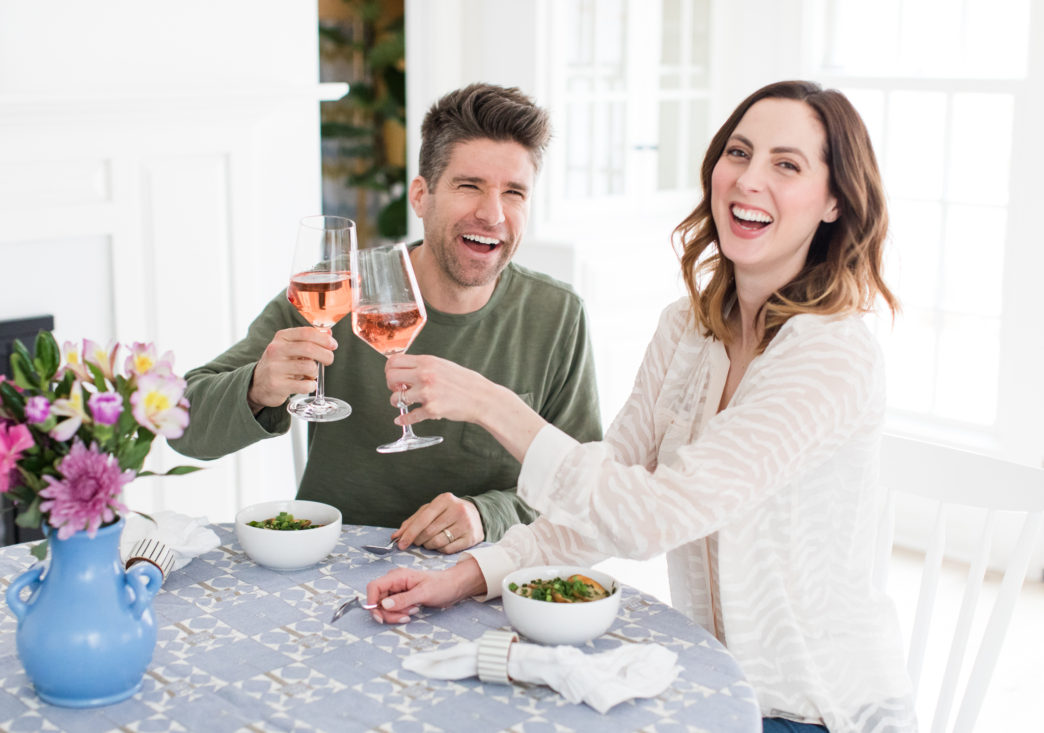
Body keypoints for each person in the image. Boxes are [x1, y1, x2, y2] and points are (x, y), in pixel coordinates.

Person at [365, 80, 917, 732]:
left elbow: (654, 516)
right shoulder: (687, 328)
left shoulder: (830, 354)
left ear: (833, 200)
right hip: (709, 684)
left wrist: (496, 406)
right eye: (738, 153)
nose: (748, 180)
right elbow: (601, 501)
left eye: (786, 165)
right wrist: (468, 574)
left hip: (816, 711)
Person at [169, 83, 602, 553]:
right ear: (421, 196)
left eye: (514, 192)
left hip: (482, 575)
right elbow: (183, 426)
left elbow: (585, 489)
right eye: (469, 185)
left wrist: (488, 514)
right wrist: (256, 387)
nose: (492, 213)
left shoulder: (557, 314)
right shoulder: (334, 292)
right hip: (335, 570)